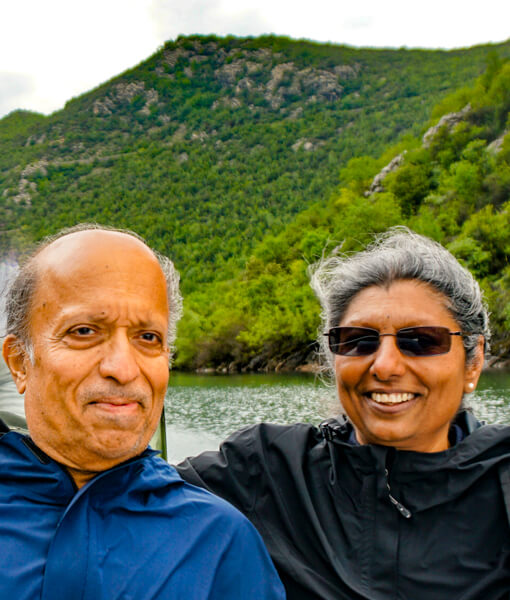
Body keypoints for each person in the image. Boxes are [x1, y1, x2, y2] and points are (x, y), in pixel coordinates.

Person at [177, 227, 510, 600]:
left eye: (420, 340)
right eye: (358, 340)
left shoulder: (502, 481)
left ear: (473, 362)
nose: (385, 366)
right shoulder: (268, 471)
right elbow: (124, 496)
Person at [0, 224, 285, 600]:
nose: (123, 367)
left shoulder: (221, 543)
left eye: (148, 338)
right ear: (19, 362)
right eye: (85, 331)